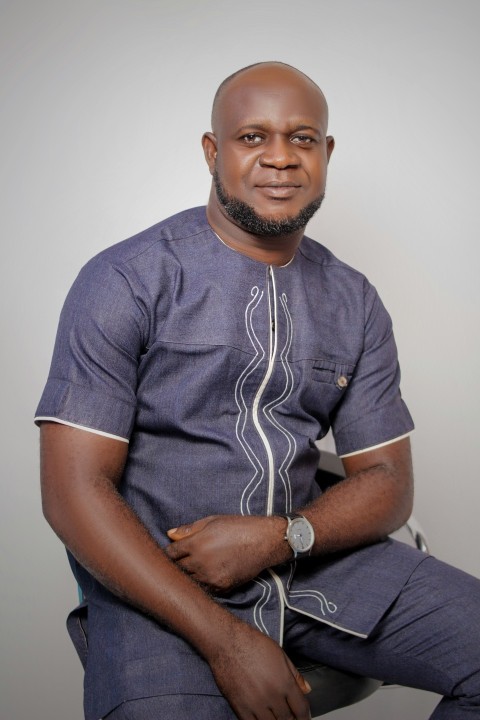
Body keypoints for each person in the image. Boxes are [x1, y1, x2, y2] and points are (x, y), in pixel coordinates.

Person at [36, 62, 480, 720]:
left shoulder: (353, 300)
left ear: (326, 154)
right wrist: (228, 643)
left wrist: (284, 537)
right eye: (252, 137)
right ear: (213, 151)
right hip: (164, 586)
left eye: (302, 138)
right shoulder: (126, 280)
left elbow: (388, 481)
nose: (280, 158)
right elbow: (72, 495)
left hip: (313, 561)